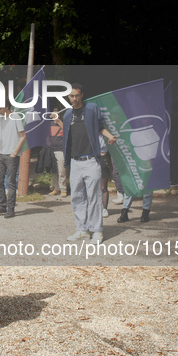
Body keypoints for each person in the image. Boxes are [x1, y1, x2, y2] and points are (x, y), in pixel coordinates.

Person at [62, 83, 116, 244]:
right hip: (75, 162)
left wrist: (110, 136)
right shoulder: (67, 115)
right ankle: (82, 230)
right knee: (77, 197)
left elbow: (100, 127)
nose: (74, 98)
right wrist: (57, 121)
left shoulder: (92, 109)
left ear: (82, 95)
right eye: (71, 96)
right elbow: (68, 135)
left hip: (91, 160)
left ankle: (97, 231)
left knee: (94, 197)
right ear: (68, 97)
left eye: (77, 95)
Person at [0, 105, 27, 219]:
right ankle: (2, 206)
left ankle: (11, 209)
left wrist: (15, 153)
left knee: (10, 182)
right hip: (1, 153)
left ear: (7, 106)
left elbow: (23, 136)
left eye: (0, 108)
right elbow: (3, 136)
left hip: (12, 154)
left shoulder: (15, 117)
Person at [48, 108, 67, 197]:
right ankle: (56, 188)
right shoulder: (49, 124)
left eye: (57, 114)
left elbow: (67, 131)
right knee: (54, 170)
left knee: (62, 170)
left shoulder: (63, 123)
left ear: (59, 115)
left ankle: (63, 189)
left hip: (61, 150)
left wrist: (59, 121)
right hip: (52, 150)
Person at [99, 136, 111, 218]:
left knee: (103, 187)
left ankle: (105, 208)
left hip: (103, 158)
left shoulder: (106, 134)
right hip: (92, 158)